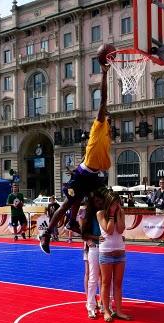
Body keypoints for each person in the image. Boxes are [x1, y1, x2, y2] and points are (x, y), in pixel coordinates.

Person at [39, 64, 111, 254]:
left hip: (92, 175)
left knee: (102, 199)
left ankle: (74, 224)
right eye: (106, 114)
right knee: (67, 203)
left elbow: (94, 158)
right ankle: (46, 234)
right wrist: (104, 74)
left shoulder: (107, 136)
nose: (107, 116)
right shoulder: (98, 127)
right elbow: (103, 100)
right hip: (83, 175)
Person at [97, 191, 131, 322]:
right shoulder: (100, 214)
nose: (115, 206)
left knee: (118, 284)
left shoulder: (120, 212)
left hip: (120, 253)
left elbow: (121, 229)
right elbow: (109, 230)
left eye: (117, 203)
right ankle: (106, 311)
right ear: (108, 203)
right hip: (106, 253)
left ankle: (119, 311)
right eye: (113, 203)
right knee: (105, 283)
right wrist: (111, 216)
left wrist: (118, 214)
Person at [81, 190, 106, 319]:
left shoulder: (106, 213)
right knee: (93, 278)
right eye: (96, 201)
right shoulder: (89, 215)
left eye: (101, 200)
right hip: (95, 248)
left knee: (105, 279)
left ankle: (103, 303)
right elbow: (83, 233)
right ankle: (90, 305)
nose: (99, 202)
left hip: (105, 248)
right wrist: (93, 238)